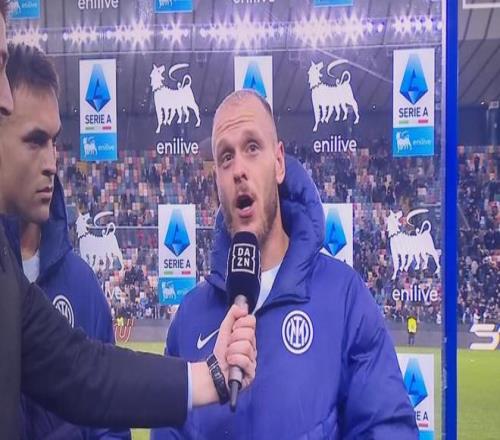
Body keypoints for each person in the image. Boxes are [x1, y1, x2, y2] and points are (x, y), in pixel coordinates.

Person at [0, 4, 256, 439]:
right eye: (35, 140)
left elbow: (82, 371)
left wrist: (210, 376)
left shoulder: (9, 273)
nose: (4, 99)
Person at [152, 90, 418, 439]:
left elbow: (385, 428)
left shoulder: (343, 297)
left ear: (279, 163)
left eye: (252, 148)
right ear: (217, 179)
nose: (239, 170)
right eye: (226, 157)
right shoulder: (190, 317)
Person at [0, 43, 131, 439]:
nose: (52, 163)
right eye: (35, 140)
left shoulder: (82, 286)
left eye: (54, 142)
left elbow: (112, 418)